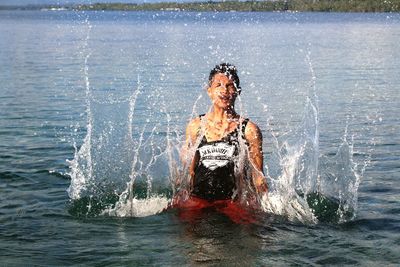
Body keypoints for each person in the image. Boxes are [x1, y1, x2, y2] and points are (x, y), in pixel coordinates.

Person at [176, 63, 268, 213]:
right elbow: (189, 173)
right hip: (198, 200)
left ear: (238, 92)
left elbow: (258, 178)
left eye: (230, 86)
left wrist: (262, 208)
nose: (224, 91)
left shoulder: (249, 130)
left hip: (233, 204)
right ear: (209, 91)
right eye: (218, 85)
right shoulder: (196, 126)